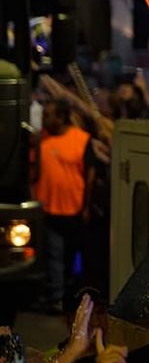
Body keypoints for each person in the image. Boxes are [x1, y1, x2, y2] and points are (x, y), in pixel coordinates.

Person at [31, 98, 98, 313]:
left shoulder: (81, 139)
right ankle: (57, 297)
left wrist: (87, 206)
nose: (44, 120)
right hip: (48, 209)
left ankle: (66, 296)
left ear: (61, 117)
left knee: (68, 257)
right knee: (54, 255)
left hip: (73, 210)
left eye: (48, 115)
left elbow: (90, 174)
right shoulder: (41, 140)